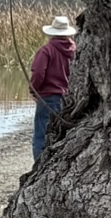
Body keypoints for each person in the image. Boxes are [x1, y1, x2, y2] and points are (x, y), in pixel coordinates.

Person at [28, 14, 77, 160]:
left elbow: (38, 73)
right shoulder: (76, 50)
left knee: (41, 137)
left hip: (49, 98)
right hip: (70, 99)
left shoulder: (47, 50)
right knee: (61, 136)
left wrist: (33, 90)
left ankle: (38, 170)